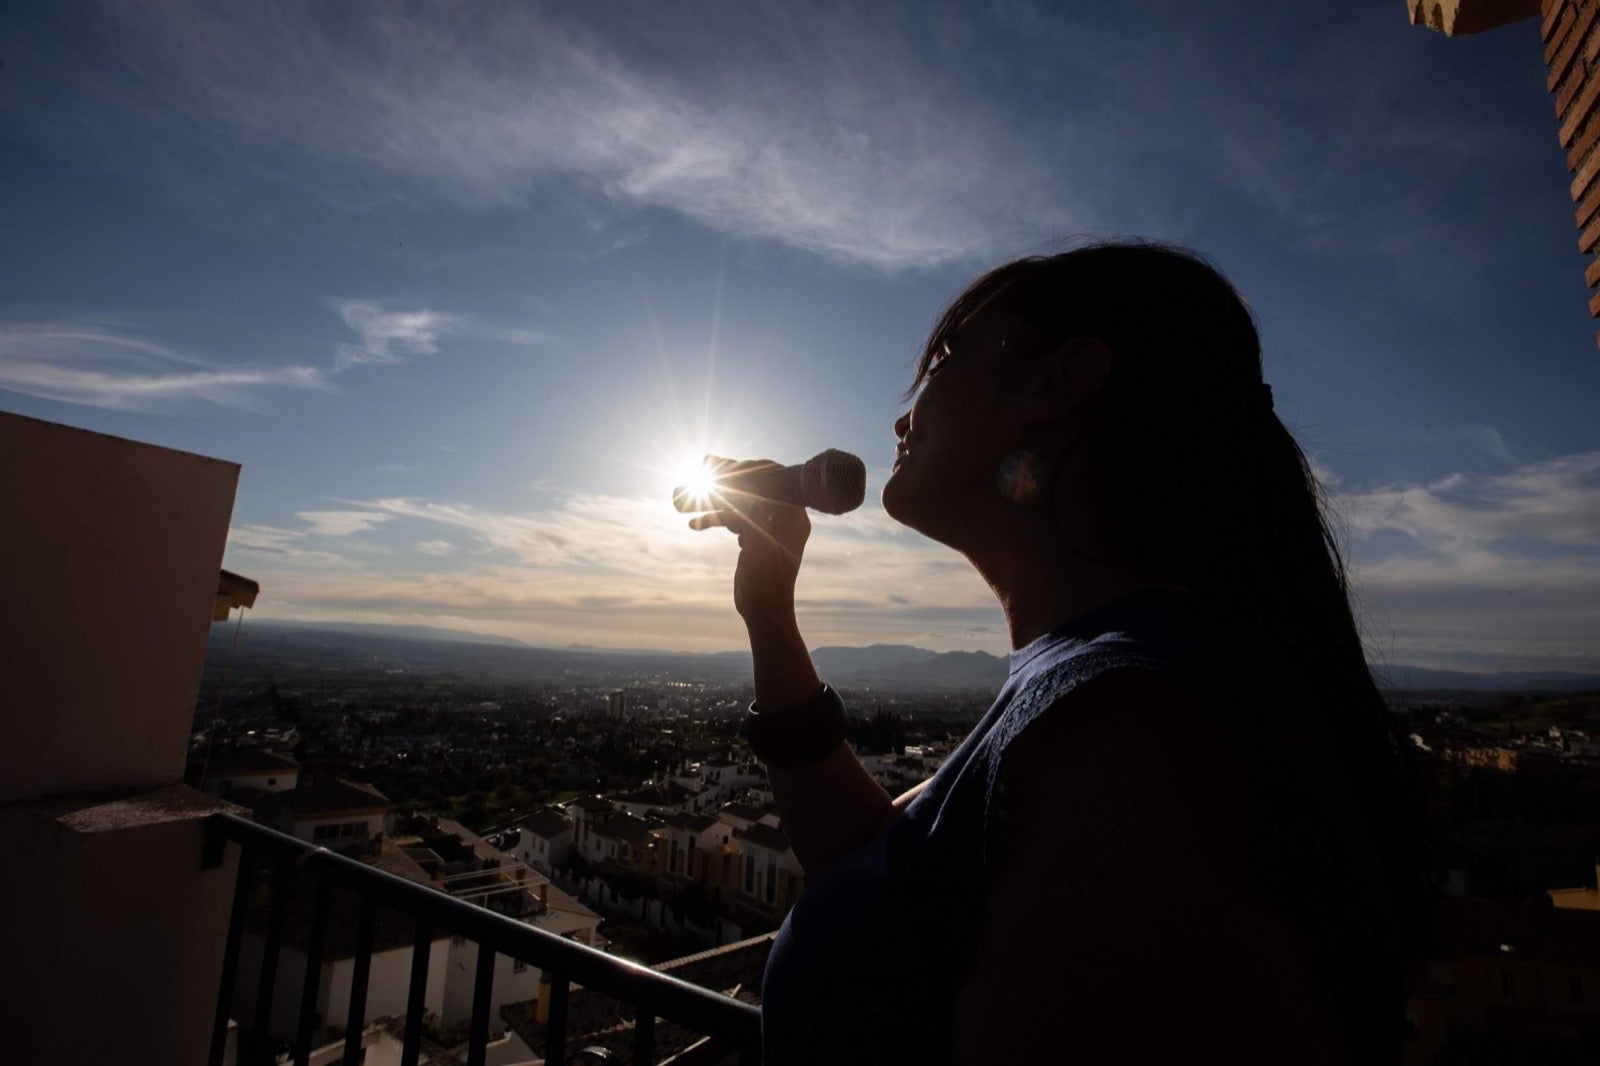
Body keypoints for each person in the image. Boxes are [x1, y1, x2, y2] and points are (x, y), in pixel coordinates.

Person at [683, 239, 1429, 1065]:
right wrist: (768, 611)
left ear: (1059, 379)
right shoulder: (1092, 688)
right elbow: (872, 859)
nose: (902, 416)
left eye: (940, 357)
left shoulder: (1127, 732)